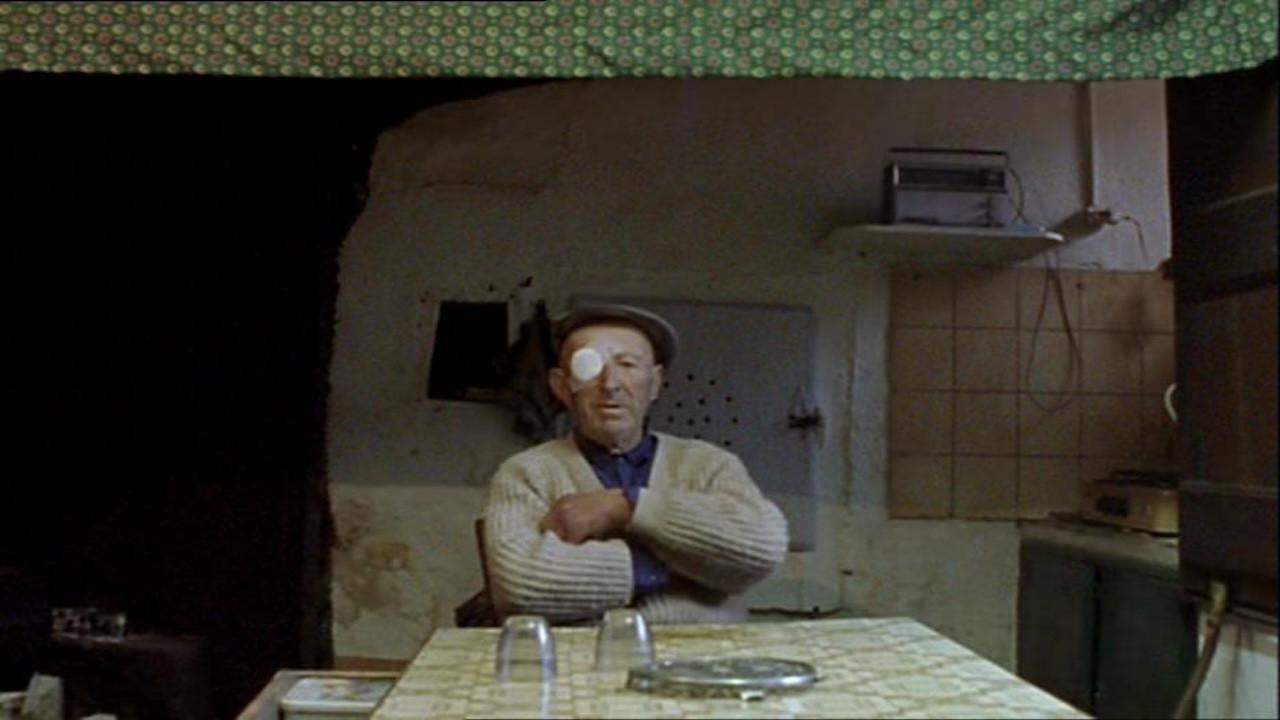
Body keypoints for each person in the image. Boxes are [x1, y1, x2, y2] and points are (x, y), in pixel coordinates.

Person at [482, 303, 788, 625]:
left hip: (704, 648)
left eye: (627, 365)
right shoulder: (526, 473)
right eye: (589, 366)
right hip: (583, 652)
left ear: (655, 383)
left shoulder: (708, 464)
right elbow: (518, 585)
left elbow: (760, 548)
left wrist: (625, 506)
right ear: (562, 386)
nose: (610, 384)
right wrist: (688, 562)